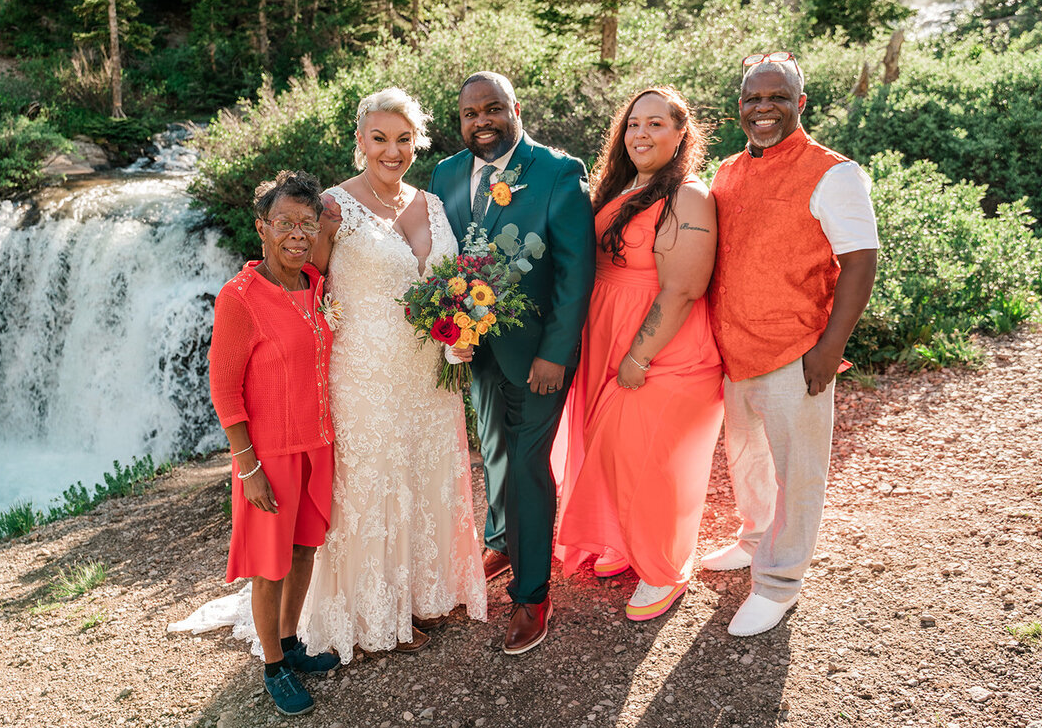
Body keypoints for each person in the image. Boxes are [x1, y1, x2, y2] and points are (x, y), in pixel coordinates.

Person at [298, 87, 486, 659]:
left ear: (416, 142)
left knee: (425, 473)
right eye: (379, 138)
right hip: (365, 374)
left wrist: (465, 330)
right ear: (359, 141)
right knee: (373, 484)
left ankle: (422, 595)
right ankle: (368, 614)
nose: (392, 150)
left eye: (403, 139)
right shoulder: (333, 207)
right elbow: (309, 287)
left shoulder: (430, 204)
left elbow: (448, 282)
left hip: (428, 375)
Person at [702, 52, 878, 636]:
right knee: (748, 461)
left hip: (796, 350)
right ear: (740, 108)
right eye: (754, 98)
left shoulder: (834, 173)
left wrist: (829, 349)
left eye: (778, 97)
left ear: (801, 103)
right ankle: (755, 540)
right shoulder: (728, 171)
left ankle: (780, 583)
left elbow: (859, 262)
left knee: (798, 471)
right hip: (733, 350)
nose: (765, 108)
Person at [429, 71, 595, 655]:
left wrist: (555, 353)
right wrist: (449, 327)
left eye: (493, 109)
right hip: (476, 351)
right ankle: (502, 538)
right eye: (470, 113)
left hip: (538, 357)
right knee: (493, 450)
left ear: (515, 109)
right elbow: (442, 261)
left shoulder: (556, 171)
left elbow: (577, 272)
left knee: (528, 463)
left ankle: (532, 594)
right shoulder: (445, 174)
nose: (482, 122)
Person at [553, 87, 724, 621]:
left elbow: (682, 289)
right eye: (632, 125)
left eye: (655, 124)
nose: (641, 134)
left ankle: (664, 569)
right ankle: (623, 544)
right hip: (607, 331)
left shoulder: (688, 197)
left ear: (681, 134)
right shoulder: (627, 187)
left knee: (646, 455)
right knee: (608, 448)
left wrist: (638, 356)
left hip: (661, 345)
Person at [207, 170, 341, 716]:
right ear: (260, 228)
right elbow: (224, 386)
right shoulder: (240, 297)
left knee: (305, 548)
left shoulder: (313, 281)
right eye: (284, 222)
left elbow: (329, 232)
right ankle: (271, 666)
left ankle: (290, 644)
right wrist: (247, 466)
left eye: (305, 224)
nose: (297, 234)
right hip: (269, 453)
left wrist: (326, 216)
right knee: (270, 564)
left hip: (318, 443)